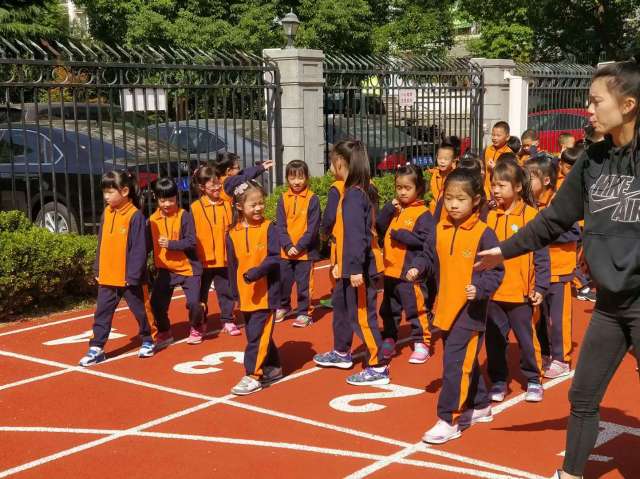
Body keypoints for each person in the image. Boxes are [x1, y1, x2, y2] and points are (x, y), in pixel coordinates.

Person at [474, 59, 640, 479]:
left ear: (629, 105)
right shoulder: (593, 161)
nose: (588, 108)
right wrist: (504, 251)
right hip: (608, 306)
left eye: (596, 101)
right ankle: (570, 474)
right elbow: (552, 221)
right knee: (582, 396)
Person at [422, 168, 504, 445]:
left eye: (461, 199)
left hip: (470, 314)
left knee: (454, 366)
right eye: (449, 198)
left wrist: (480, 288)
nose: (453, 204)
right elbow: (428, 258)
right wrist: (416, 268)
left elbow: (496, 270)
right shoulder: (440, 228)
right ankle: (481, 404)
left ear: (477, 201)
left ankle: (449, 419)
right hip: (444, 308)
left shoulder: (484, 233)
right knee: (463, 363)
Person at [313, 139, 390, 386]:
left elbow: (359, 236)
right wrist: (340, 264)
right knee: (343, 308)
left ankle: (378, 366)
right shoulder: (354, 191)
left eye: (331, 160)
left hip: (359, 269)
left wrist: (355, 268)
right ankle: (342, 352)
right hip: (349, 266)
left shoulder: (355, 195)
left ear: (340, 162)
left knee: (362, 317)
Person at [485, 158, 549, 404]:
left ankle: (533, 378)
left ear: (518, 187)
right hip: (493, 294)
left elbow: (542, 255)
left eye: (501, 185)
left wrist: (540, 286)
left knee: (526, 339)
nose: (495, 190)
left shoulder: (531, 216)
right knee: (494, 340)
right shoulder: (489, 217)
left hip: (521, 295)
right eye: (493, 184)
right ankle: (499, 380)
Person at [79, 170, 154, 366]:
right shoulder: (106, 212)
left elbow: (140, 248)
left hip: (130, 278)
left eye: (110, 192)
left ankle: (148, 338)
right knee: (102, 313)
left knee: (141, 311)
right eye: (104, 192)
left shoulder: (135, 216)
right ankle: (97, 347)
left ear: (125, 191)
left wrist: (133, 275)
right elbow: (101, 241)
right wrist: (98, 267)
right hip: (108, 275)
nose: (106, 197)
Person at [525, 155, 579, 379]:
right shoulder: (528, 204)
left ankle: (561, 358)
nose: (525, 182)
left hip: (559, 271)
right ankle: (545, 352)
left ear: (547, 180)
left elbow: (575, 231)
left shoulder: (560, 203)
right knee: (538, 316)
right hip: (537, 273)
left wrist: (544, 234)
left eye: (530, 177)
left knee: (558, 318)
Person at [227, 180, 282, 395]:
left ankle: (253, 374)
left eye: (261, 203)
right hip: (246, 295)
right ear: (240, 207)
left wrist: (257, 272)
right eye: (253, 204)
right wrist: (234, 294)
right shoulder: (232, 233)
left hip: (266, 295)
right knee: (256, 334)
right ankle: (274, 366)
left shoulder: (270, 227)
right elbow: (232, 267)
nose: (259, 208)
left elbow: (275, 257)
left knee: (257, 336)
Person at [377, 164, 436, 364]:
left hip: (409, 272)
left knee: (416, 308)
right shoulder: (396, 209)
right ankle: (390, 336)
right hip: (391, 271)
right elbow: (379, 226)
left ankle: (422, 342)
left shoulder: (423, 214)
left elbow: (426, 241)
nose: (402, 192)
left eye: (407, 188)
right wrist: (387, 209)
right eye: (399, 187)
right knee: (388, 309)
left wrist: (403, 236)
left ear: (418, 188)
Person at [148, 178, 204, 345]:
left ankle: (196, 326)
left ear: (177, 198)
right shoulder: (152, 220)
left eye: (171, 200)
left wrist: (171, 244)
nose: (167, 204)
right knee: (156, 304)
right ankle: (165, 331)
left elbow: (191, 241)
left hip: (188, 269)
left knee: (194, 303)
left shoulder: (184, 216)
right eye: (163, 200)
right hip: (165, 270)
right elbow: (145, 244)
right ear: (156, 199)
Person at [191, 165, 241, 337]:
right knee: (200, 294)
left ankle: (228, 319)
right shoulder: (195, 208)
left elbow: (234, 228)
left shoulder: (227, 205)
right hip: (203, 260)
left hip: (224, 258)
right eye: (211, 185)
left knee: (226, 291)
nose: (216, 188)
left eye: (217, 183)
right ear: (202, 187)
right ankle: (200, 322)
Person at [275, 160, 321, 327]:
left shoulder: (312, 199)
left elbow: (313, 227)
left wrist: (299, 246)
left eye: (300, 177)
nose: (296, 182)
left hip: (305, 253)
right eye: (292, 177)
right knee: (283, 282)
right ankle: (283, 306)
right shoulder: (283, 198)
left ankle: (304, 312)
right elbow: (280, 225)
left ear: (307, 178)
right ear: (287, 178)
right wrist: (287, 246)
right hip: (285, 251)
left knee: (304, 285)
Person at [429, 136, 460, 214]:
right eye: (440, 158)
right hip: (432, 211)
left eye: (446, 159)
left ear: (454, 160)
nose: (442, 162)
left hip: (446, 212)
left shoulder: (456, 176)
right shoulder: (432, 173)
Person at [483, 121, 513, 195]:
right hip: (486, 189)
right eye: (493, 135)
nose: (494, 138)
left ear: (507, 137)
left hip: (499, 191)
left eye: (498, 135)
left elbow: (510, 173)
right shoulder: (488, 149)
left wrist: (495, 168)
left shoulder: (509, 153)